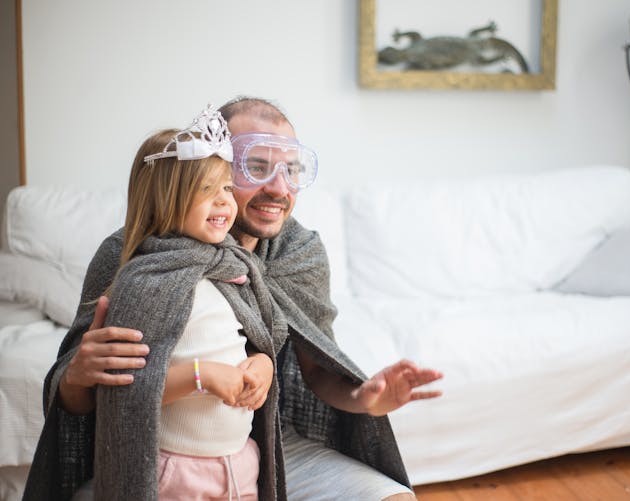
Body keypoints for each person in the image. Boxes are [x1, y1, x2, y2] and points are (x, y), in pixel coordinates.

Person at [27, 97, 443, 501]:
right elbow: (77, 401)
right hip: (155, 455)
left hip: (270, 447)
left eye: (291, 170)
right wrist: (79, 375)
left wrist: (365, 398)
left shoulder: (298, 252)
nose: (279, 188)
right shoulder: (134, 254)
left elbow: (317, 372)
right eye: (255, 167)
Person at [24, 106, 282, 500]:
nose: (224, 202)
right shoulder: (142, 280)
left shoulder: (232, 265)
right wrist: (203, 376)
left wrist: (262, 363)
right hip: (174, 471)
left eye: (227, 188)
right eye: (206, 190)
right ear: (166, 200)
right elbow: (125, 389)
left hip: (240, 462)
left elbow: (260, 337)